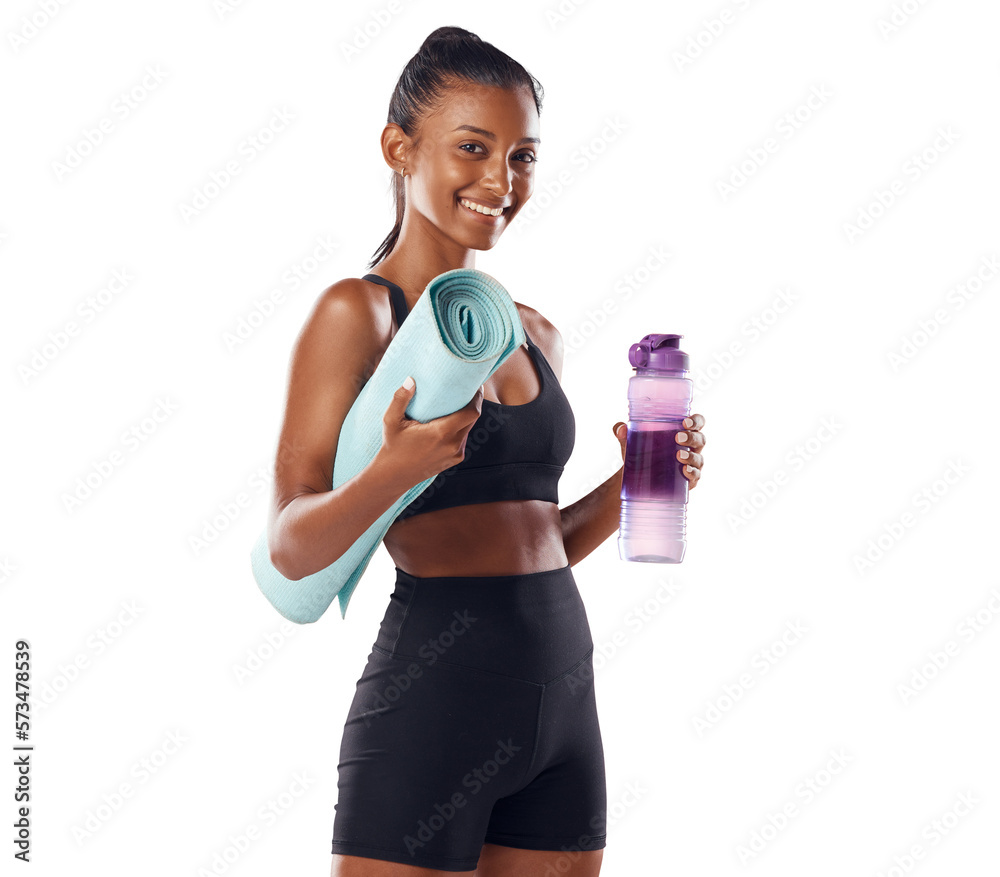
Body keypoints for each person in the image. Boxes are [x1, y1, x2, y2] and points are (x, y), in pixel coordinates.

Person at [265, 26, 706, 877]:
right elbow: (290, 550)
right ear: (400, 147)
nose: (501, 182)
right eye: (474, 147)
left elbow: (535, 540)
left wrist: (636, 484)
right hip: (435, 703)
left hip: (566, 704)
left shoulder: (535, 332)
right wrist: (394, 471)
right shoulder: (359, 317)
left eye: (524, 156)